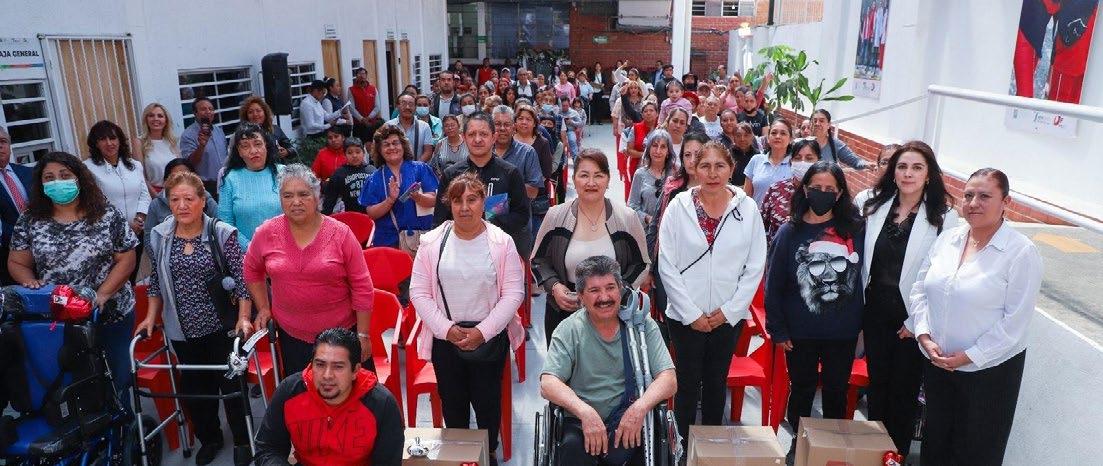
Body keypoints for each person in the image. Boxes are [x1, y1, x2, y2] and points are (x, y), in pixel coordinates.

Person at [910, 168, 1041, 465]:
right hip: (939, 366)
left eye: (984, 196)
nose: (973, 203)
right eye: (968, 195)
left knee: (975, 453)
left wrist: (968, 357)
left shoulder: (1020, 252)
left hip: (989, 375)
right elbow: (920, 289)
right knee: (936, 447)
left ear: (1005, 202)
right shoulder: (948, 240)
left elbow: (1015, 323)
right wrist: (924, 335)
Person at [8, 151, 138, 411]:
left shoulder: (105, 213)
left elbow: (127, 258)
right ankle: (89, 430)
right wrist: (29, 281)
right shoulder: (31, 219)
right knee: (77, 385)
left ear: (79, 178)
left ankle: (123, 428)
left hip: (110, 314)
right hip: (61, 320)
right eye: (49, 177)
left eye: (64, 175)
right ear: (41, 184)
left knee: (116, 380)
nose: (57, 182)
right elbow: (17, 262)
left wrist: (102, 294)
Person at [410, 173, 525, 464]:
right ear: (448, 204)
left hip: (488, 337)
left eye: (472, 200)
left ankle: (489, 454)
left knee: (488, 405)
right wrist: (446, 329)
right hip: (446, 338)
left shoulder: (502, 242)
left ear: (483, 202)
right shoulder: (432, 242)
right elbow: (419, 292)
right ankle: (459, 457)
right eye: (457, 201)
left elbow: (513, 294)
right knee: (453, 405)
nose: (464, 208)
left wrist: (482, 332)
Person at [658, 141, 767, 447]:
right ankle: (681, 448)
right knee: (687, 383)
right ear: (694, 169)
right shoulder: (679, 207)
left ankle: (711, 449)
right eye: (705, 166)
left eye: (720, 166)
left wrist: (730, 312)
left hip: (727, 317)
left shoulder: (747, 209)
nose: (712, 173)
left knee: (717, 383)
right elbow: (667, 263)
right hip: (684, 316)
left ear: (732, 169)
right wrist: (691, 313)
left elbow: (755, 265)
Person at [139, 171, 251, 465]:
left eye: (189, 199)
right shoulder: (161, 235)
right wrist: (150, 317)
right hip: (182, 329)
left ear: (202, 201)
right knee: (196, 390)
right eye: (175, 199)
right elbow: (155, 281)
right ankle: (210, 438)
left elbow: (242, 280)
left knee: (231, 385)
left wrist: (243, 317)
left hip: (222, 327)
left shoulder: (221, 233)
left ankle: (243, 440)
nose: (182, 205)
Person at [856, 141, 957, 456]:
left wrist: (915, 322)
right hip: (875, 311)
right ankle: (875, 454)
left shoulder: (944, 216)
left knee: (903, 392)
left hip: (911, 319)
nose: (908, 173)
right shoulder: (873, 206)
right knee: (877, 387)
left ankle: (895, 456)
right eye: (902, 166)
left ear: (929, 174)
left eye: (917, 167)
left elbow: (941, 276)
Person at [764, 161, 864, 463]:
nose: (822, 193)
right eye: (816, 187)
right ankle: (799, 443)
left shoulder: (856, 230)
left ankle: (831, 449)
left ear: (840, 193)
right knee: (802, 389)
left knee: (836, 391)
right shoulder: (789, 232)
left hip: (843, 333)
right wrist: (778, 329)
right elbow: (773, 284)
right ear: (805, 190)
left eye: (830, 189)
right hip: (800, 333)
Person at [540, 255, 676, 465]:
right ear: (581, 297)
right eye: (594, 290)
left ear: (620, 289)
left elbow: (669, 379)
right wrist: (585, 412)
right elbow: (548, 383)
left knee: (650, 446)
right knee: (570, 448)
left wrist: (639, 409)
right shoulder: (569, 330)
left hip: (631, 416)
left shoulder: (641, 325)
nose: (604, 297)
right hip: (580, 421)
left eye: (610, 288)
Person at [245, 165, 376, 374]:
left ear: (316, 197)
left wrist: (363, 335)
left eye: (303, 194)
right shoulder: (266, 232)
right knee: (302, 392)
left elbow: (362, 286)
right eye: (288, 196)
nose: (296, 202)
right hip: (292, 337)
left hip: (341, 336)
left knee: (348, 392)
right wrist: (263, 307)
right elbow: (251, 269)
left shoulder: (341, 234)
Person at [531, 149, 649, 344]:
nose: (591, 183)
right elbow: (538, 260)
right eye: (584, 175)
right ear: (574, 179)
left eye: (598, 175)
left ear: (608, 180)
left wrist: (620, 290)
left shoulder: (626, 218)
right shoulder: (556, 216)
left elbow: (641, 263)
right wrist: (555, 287)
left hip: (613, 311)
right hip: (565, 311)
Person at [254, 328, 403, 466]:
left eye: (338, 367)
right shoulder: (290, 391)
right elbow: (268, 448)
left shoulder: (381, 403)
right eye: (320, 365)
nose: (327, 375)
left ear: (355, 371)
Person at [83, 120, 151, 283]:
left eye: (113, 138)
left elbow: (144, 195)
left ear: (120, 140)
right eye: (103, 139)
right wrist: (123, 228)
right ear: (95, 143)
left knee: (131, 278)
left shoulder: (134, 165)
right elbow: (93, 203)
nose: (109, 143)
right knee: (112, 280)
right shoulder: (87, 168)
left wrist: (139, 219)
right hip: (108, 235)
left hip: (136, 231)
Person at [360, 125, 439, 254]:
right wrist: (390, 200)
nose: (391, 147)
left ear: (403, 146)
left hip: (421, 240)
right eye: (386, 145)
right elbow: (371, 213)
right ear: (379, 150)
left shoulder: (421, 169)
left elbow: (435, 200)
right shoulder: (374, 179)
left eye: (395, 143)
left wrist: (419, 197)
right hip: (388, 243)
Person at [217, 123, 284, 250]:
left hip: (285, 249)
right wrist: (251, 248)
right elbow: (225, 224)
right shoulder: (229, 179)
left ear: (266, 146)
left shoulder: (284, 173)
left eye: (258, 144)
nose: (253, 151)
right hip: (246, 254)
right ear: (239, 151)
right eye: (245, 146)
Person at [760, 138, 821, 246]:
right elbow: (760, 226)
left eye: (809, 158)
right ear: (791, 161)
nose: (803, 162)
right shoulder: (776, 189)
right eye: (798, 158)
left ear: (818, 162)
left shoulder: (824, 192)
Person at [144, 159, 219, 245]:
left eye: (186, 177)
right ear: (165, 182)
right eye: (176, 178)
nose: (181, 182)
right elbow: (148, 237)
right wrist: (161, 253)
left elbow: (219, 223)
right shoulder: (156, 204)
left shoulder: (204, 198)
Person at [627, 129, 675, 257]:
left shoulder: (675, 175)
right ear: (648, 148)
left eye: (663, 147)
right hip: (645, 235)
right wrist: (647, 218)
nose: (658, 151)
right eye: (654, 145)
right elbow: (632, 206)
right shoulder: (640, 174)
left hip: (670, 235)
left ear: (668, 151)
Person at [513, 105, 555, 246]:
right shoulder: (508, 141)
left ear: (535, 123)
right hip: (509, 197)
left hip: (535, 198)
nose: (524, 122)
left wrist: (528, 187)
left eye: (528, 119)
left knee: (533, 240)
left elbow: (546, 172)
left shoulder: (542, 143)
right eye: (520, 118)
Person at [0, 126, 32, 286]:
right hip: (6, 256)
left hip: (41, 251)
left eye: (3, 141)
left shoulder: (29, 173)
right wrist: (23, 237)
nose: (0, 146)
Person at [180, 96, 228, 196]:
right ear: (195, 113)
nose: (208, 112)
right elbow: (190, 163)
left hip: (225, 182)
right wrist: (201, 146)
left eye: (211, 109)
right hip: (205, 186)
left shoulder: (219, 131)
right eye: (203, 109)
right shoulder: (188, 135)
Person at [742, 119, 794, 205]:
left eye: (783, 133)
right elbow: (746, 195)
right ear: (768, 138)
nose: (778, 136)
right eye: (774, 133)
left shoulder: (794, 165)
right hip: (755, 213)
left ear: (790, 139)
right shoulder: (756, 160)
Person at [299, 80, 350, 166]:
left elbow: (327, 116)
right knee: (317, 161)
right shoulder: (306, 104)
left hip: (321, 135)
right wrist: (328, 125)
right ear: (316, 91)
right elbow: (310, 125)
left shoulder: (317, 102)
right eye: (322, 93)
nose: (323, 95)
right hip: (312, 138)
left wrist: (339, 112)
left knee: (326, 160)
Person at [136, 103, 181, 195]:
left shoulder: (172, 141)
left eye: (160, 116)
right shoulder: (139, 142)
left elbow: (181, 169)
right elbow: (139, 174)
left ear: (166, 120)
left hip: (177, 191)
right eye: (151, 115)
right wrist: (156, 196)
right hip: (154, 193)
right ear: (146, 119)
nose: (155, 119)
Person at [322, 137, 375, 215]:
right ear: (345, 155)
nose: (354, 155)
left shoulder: (372, 171)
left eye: (358, 152)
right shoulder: (339, 174)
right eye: (350, 153)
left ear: (363, 153)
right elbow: (329, 201)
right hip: (351, 216)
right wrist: (324, 218)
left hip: (373, 215)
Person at [240, 96, 298, 164]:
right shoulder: (242, 135)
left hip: (277, 168)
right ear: (246, 116)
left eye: (258, 111)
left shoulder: (275, 129)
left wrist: (287, 152)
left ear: (265, 112)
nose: (255, 114)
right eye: (250, 112)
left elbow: (293, 150)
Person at [620, 102, 659, 201]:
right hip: (637, 167)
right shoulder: (636, 128)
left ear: (657, 113)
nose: (648, 113)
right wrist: (647, 155)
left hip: (658, 169)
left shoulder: (661, 129)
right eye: (645, 111)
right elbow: (629, 150)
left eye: (651, 110)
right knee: (636, 197)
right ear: (642, 114)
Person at [385, 94, 435, 162]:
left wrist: (415, 166)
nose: (407, 107)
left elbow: (428, 152)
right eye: (404, 103)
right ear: (397, 106)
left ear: (415, 107)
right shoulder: (388, 126)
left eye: (411, 104)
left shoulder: (424, 127)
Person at [719, 116, 759, 187]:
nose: (742, 139)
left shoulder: (758, 155)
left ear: (752, 137)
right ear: (733, 137)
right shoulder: (727, 155)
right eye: (738, 135)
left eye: (746, 135)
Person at [350, 67, 384, 143]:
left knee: (374, 144)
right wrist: (362, 119)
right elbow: (351, 108)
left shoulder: (373, 89)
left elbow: (377, 106)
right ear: (356, 76)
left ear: (366, 75)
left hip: (372, 124)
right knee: (360, 144)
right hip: (359, 124)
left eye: (363, 74)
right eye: (359, 74)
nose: (362, 76)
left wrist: (368, 118)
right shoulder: (351, 90)